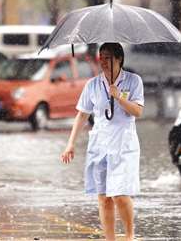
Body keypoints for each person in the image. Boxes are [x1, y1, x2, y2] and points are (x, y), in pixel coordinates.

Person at [62, 43, 144, 241]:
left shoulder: (133, 81)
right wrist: (70, 143)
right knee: (104, 197)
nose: (104, 62)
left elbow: (138, 111)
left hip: (123, 144)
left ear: (120, 59)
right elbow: (82, 115)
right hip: (100, 144)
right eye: (102, 57)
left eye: (108, 57)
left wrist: (119, 97)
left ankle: (129, 235)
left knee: (120, 194)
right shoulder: (93, 84)